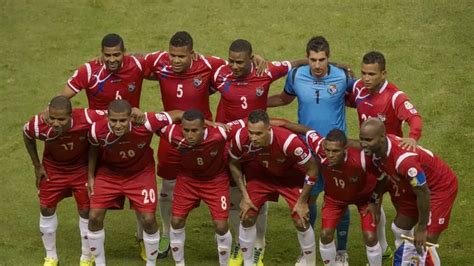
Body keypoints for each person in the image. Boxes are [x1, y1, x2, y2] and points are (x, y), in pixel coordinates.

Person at [144, 31, 268, 259]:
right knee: (167, 189)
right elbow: (133, 60)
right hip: (173, 137)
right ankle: (165, 232)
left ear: (192, 53)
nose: (175, 60)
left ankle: (238, 240)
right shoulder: (159, 61)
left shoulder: (209, 64)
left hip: (207, 139)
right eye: (172, 55)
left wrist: (256, 57)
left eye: (181, 56)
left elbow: (237, 63)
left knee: (222, 184)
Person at [212, 38, 305, 266]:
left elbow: (298, 62)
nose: (234, 66)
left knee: (256, 194)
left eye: (239, 62)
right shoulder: (219, 74)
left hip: (258, 143)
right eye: (231, 61)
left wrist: (338, 67)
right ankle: (238, 240)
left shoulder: (267, 70)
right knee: (235, 194)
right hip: (229, 144)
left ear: (251, 59)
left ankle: (259, 243)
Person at [267, 36, 354, 265]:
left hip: (335, 150)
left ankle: (341, 252)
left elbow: (359, 100)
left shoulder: (343, 77)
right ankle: (308, 253)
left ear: (329, 58)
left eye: (322, 60)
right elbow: (284, 99)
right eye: (313, 60)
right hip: (306, 149)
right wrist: (257, 101)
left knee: (339, 199)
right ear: (306, 58)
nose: (317, 65)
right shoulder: (296, 75)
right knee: (309, 198)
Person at [86, 100, 183, 266]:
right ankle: (100, 263)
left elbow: (179, 114)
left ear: (131, 118)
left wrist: (209, 123)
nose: (117, 125)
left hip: (140, 174)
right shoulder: (96, 129)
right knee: (94, 217)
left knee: (148, 219)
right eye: (113, 121)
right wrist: (90, 176)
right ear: (107, 117)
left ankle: (151, 263)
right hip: (109, 174)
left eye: (123, 120)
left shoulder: (146, 122)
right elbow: (94, 148)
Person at [276, 119, 384, 265]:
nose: (330, 155)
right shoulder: (320, 148)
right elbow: (306, 130)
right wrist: (275, 124)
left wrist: (374, 201)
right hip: (335, 198)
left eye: (335, 151)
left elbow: (384, 177)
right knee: (325, 235)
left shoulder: (363, 159)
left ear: (345, 149)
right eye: (328, 150)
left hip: (364, 198)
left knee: (370, 237)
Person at [360, 119, 458, 266]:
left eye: (368, 139)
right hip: (413, 186)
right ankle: (408, 261)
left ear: (382, 137)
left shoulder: (404, 161)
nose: (363, 143)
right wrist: (374, 201)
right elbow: (383, 176)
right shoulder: (377, 152)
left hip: (439, 188)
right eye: (361, 138)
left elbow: (423, 193)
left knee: (427, 241)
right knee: (399, 228)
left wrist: (422, 227)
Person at [22, 96, 106, 266]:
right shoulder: (39, 124)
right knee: (46, 208)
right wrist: (37, 166)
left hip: (79, 169)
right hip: (53, 169)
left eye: (61, 119)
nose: (56, 123)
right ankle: (51, 257)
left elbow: (112, 114)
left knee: (85, 211)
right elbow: (26, 133)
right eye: (52, 118)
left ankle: (86, 256)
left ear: (71, 115)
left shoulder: (87, 117)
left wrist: (134, 112)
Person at [228, 110, 319, 266]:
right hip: (261, 176)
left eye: (258, 133)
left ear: (269, 129)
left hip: (289, 178)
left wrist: (303, 201)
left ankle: (310, 263)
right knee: (247, 215)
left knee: (301, 220)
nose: (253, 138)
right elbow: (233, 163)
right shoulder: (240, 138)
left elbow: (313, 168)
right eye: (251, 132)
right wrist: (245, 195)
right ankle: (248, 262)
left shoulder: (289, 141)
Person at [159, 109, 245, 266]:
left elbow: (248, 122)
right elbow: (149, 121)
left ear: (204, 128)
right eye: (186, 130)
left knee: (221, 226)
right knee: (176, 221)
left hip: (215, 181)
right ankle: (180, 264)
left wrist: (279, 125)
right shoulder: (173, 134)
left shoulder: (220, 133)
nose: (189, 135)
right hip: (187, 181)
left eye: (194, 130)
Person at [346, 51, 423, 151]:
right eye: (363, 73)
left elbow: (414, 118)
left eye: (371, 74)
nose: (366, 78)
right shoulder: (358, 86)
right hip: (367, 148)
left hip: (389, 152)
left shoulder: (394, 97)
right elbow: (350, 101)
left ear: (383, 74)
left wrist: (413, 137)